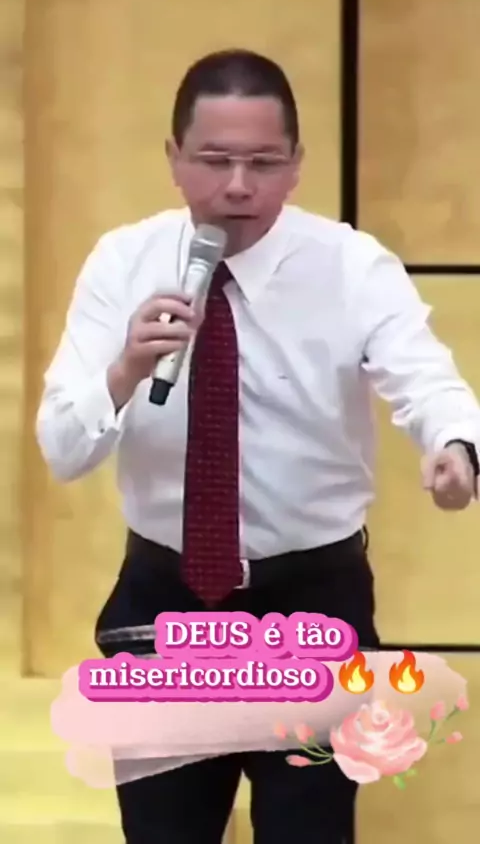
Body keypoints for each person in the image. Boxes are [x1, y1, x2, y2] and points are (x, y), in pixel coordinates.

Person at [36, 48, 480, 844]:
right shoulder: (122, 262)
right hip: (167, 607)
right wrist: (126, 368)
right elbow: (64, 449)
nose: (238, 186)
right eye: (215, 161)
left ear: (297, 164)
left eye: (263, 163)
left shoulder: (351, 266)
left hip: (313, 603)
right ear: (174, 158)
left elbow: (430, 382)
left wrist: (455, 447)